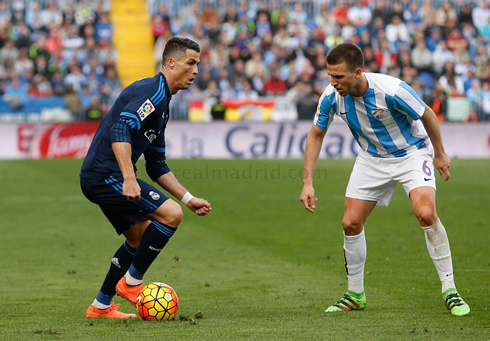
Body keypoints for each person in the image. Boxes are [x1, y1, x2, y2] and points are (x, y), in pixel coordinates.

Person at [299, 43, 470, 316]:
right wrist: (308, 182)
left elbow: (427, 114)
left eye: (339, 76)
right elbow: (316, 135)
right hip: (371, 159)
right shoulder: (331, 96)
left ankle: (450, 290)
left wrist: (439, 153)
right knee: (350, 223)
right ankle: (355, 294)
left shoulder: (392, 90)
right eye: (330, 76)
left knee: (425, 213)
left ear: (357, 72)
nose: (333, 82)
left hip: (412, 154)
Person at [80, 37, 211, 318]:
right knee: (171, 215)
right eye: (191, 63)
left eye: (198, 64)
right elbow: (120, 130)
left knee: (138, 238)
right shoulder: (153, 92)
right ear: (171, 63)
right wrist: (128, 177)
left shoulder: (163, 105)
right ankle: (131, 283)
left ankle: (101, 306)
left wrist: (188, 198)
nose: (196, 71)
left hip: (104, 175)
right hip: (106, 174)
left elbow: (157, 165)